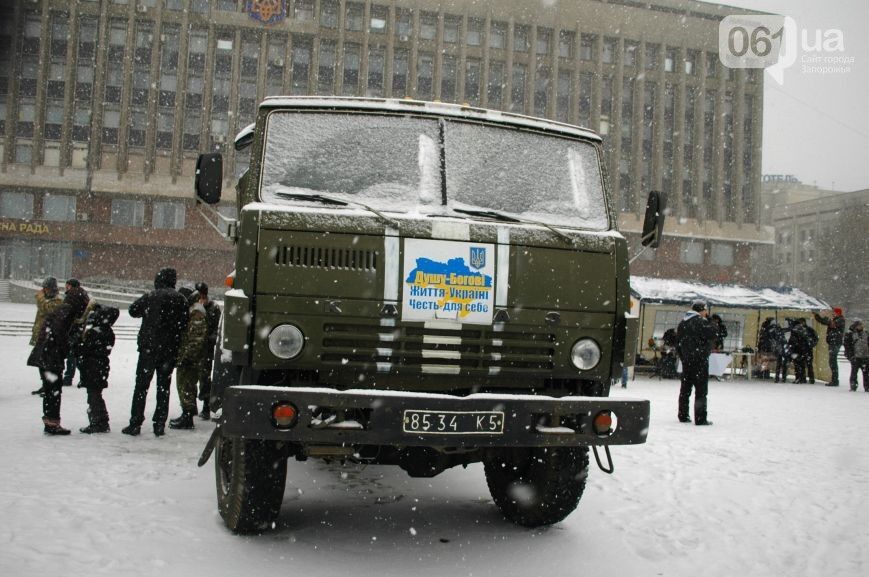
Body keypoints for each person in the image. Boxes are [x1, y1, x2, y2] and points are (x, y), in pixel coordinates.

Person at [122, 268, 189, 437]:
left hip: (149, 349)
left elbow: (132, 310)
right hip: (169, 350)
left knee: (141, 387)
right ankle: (159, 424)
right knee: (163, 388)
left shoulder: (151, 296)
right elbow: (184, 324)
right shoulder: (181, 299)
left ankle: (135, 423)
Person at [26, 286, 90, 435]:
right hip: (50, 356)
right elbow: (59, 333)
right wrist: (69, 343)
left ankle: (50, 422)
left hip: (45, 353)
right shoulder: (67, 311)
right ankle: (52, 424)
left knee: (51, 390)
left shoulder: (63, 308)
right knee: (53, 391)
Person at [74, 304, 119, 434]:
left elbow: (83, 349)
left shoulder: (95, 332)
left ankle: (98, 422)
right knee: (96, 394)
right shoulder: (108, 332)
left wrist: (77, 342)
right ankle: (101, 421)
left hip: (92, 367)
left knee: (93, 396)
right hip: (100, 366)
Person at [169, 291, 209, 430]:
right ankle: (186, 414)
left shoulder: (196, 313)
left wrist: (188, 356)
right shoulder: (194, 311)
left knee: (186, 385)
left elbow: (196, 338)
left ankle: (187, 417)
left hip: (191, 358)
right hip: (190, 356)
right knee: (185, 385)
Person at [676, 300, 718, 426]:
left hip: (687, 360)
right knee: (701, 390)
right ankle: (700, 418)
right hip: (699, 360)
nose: (706, 313)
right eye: (706, 311)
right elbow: (714, 333)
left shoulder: (683, 323)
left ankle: (683, 415)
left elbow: (678, 343)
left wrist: (683, 357)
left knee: (685, 389)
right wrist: (711, 320)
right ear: (702, 310)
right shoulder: (701, 322)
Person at [30, 277, 64, 396]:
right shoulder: (47, 299)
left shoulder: (58, 300)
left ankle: (49, 387)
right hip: (42, 335)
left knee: (47, 364)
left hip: (49, 337)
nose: (43, 291)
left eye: (46, 288)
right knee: (40, 363)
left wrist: (40, 298)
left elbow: (47, 309)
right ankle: (45, 385)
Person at [195, 282, 222, 420]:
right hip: (194, 349)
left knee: (204, 378)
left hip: (205, 349)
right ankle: (191, 406)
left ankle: (206, 405)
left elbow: (217, 329)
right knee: (192, 378)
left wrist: (208, 339)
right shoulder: (194, 307)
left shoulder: (213, 308)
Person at [62, 278, 94, 388]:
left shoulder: (72, 295)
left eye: (67, 285)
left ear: (71, 286)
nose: (66, 287)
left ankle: (69, 378)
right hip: (81, 328)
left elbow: (66, 311)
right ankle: (84, 377)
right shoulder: (83, 294)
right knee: (77, 354)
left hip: (73, 327)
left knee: (72, 353)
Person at [814, 307, 847, 386]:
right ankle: (834, 379)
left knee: (832, 362)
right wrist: (818, 316)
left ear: (838, 313)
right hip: (833, 342)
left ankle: (835, 380)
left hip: (835, 343)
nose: (832, 314)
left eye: (834, 312)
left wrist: (820, 317)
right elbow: (826, 322)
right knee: (832, 361)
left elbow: (830, 323)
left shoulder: (840, 320)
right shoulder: (836, 320)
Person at [844, 319, 868, 392]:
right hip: (855, 356)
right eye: (859, 325)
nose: (861, 326)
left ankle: (867, 387)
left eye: (861, 325)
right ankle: (853, 386)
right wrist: (851, 356)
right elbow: (847, 346)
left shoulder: (866, 333)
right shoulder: (850, 334)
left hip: (865, 356)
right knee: (854, 372)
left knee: (866, 373)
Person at [787, 318, 809, 384]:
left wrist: (790, 347)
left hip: (797, 350)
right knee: (801, 365)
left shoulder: (795, 330)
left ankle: (799, 378)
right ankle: (802, 378)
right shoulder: (803, 330)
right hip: (802, 350)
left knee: (797, 365)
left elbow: (792, 341)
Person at [801, 318, 819, 384]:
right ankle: (808, 378)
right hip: (805, 349)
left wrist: (811, 344)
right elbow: (816, 338)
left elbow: (815, 338)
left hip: (806, 349)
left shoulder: (808, 330)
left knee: (807, 365)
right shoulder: (809, 330)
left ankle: (809, 378)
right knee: (806, 365)